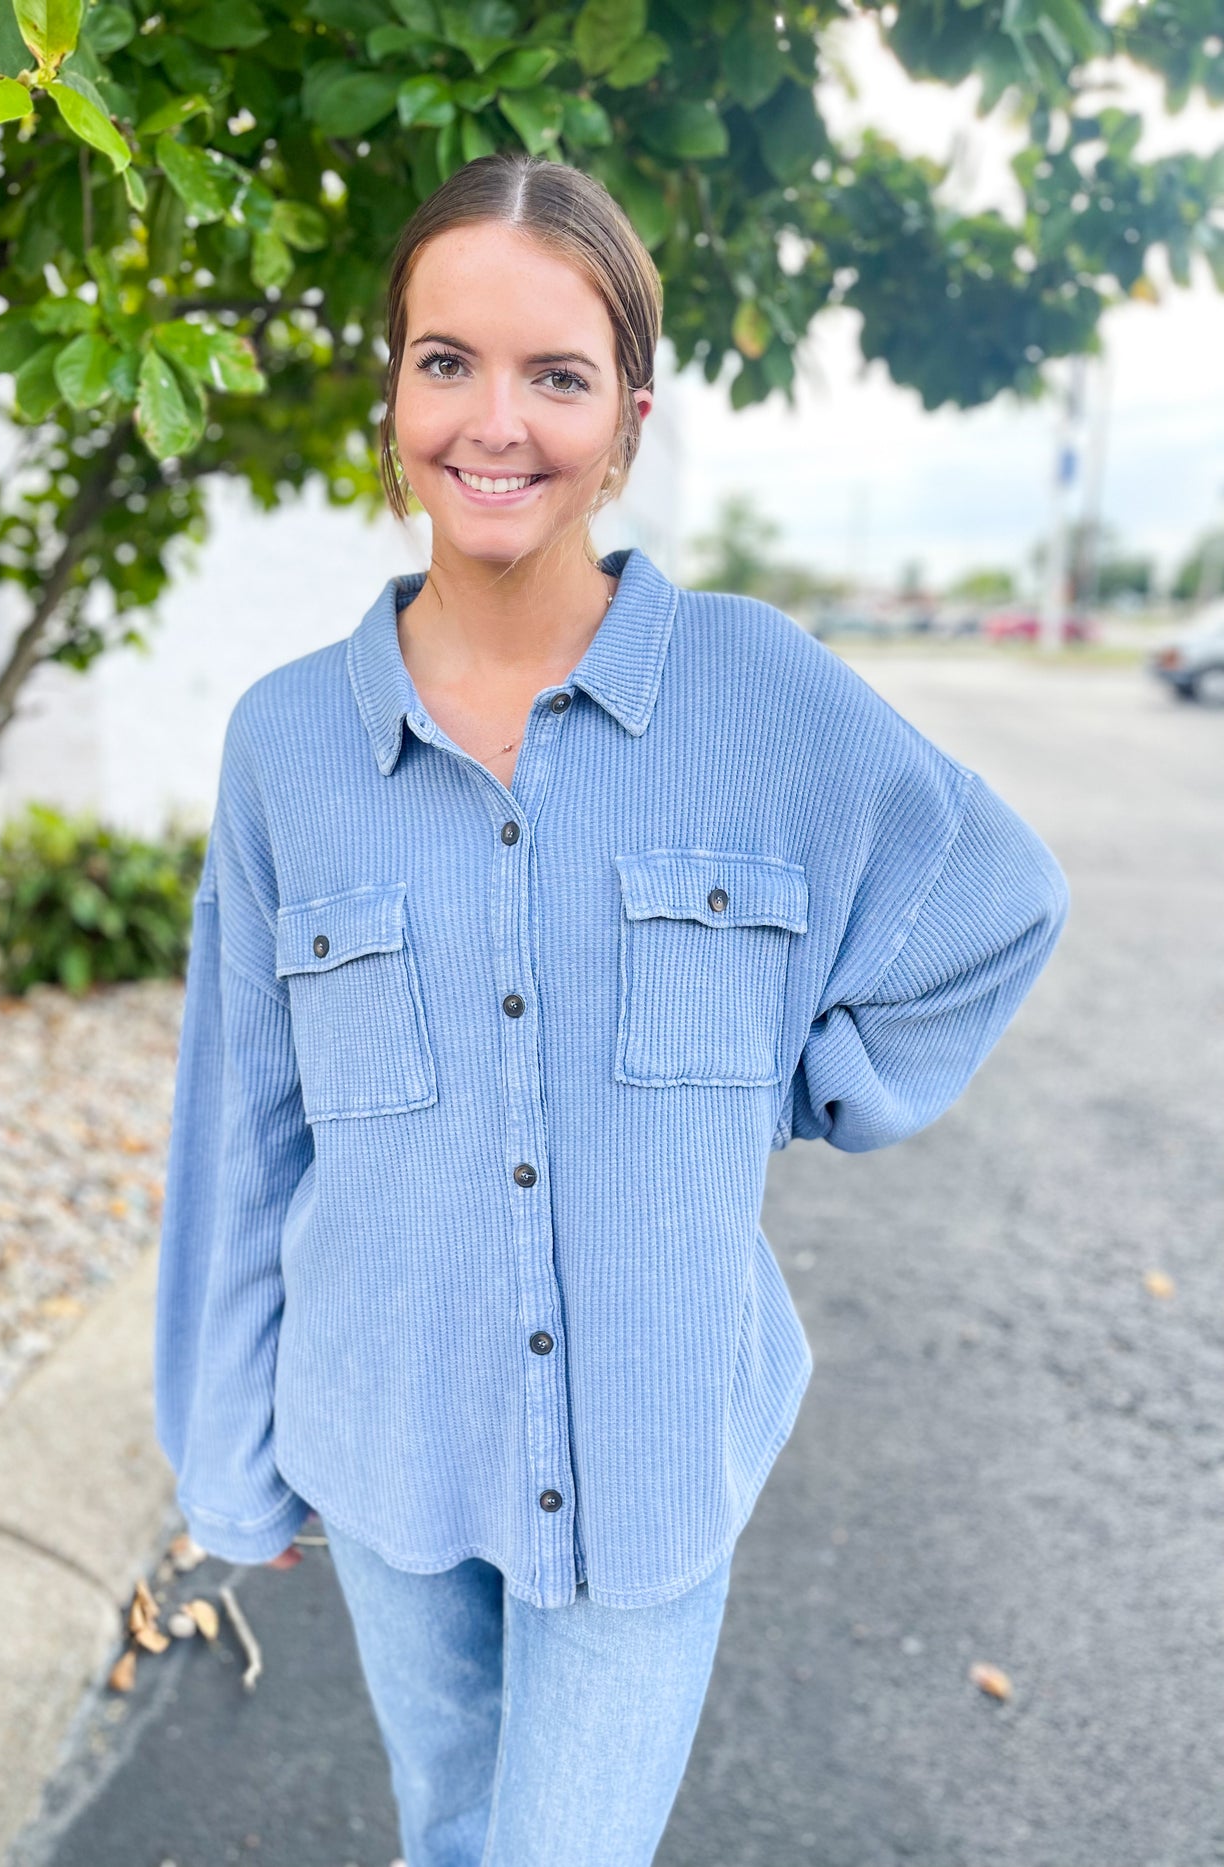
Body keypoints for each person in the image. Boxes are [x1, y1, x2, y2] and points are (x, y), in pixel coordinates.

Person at [153, 152, 1071, 1867]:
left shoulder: (758, 687)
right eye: (448, 361)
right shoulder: (287, 742)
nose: (494, 422)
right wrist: (233, 1452)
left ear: (629, 419)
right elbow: (246, 1115)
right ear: (393, 390)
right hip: (387, 1439)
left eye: (557, 375)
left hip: (650, 1449)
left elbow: (993, 905)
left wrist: (806, 1082)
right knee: (447, 1835)